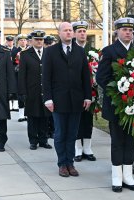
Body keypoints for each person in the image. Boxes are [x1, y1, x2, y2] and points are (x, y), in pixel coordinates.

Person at [96, 17, 134, 192]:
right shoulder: (109, 51)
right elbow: (101, 77)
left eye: (130, 30)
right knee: (117, 141)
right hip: (116, 104)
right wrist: (118, 91)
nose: (128, 32)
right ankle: (116, 177)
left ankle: (128, 176)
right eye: (124, 30)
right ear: (116, 31)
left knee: (131, 140)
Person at [42, 22, 92, 177]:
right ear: (59, 33)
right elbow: (46, 77)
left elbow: (85, 76)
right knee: (60, 133)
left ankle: (70, 163)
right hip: (58, 100)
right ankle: (62, 164)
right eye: (66, 30)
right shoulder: (50, 52)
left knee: (72, 134)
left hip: (76, 100)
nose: (69, 33)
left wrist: (87, 96)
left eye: (71, 30)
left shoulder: (79, 51)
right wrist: (48, 99)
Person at [18, 30, 53, 150]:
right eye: (37, 39)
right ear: (31, 40)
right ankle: (33, 141)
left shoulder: (49, 53)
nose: (39, 41)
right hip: (31, 91)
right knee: (32, 117)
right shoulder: (25, 54)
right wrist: (22, 92)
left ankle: (43, 140)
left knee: (45, 117)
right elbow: (22, 75)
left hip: (46, 91)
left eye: (41, 39)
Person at [72, 21, 96, 162]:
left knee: (88, 120)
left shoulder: (92, 51)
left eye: (84, 31)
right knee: (77, 120)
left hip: (90, 91)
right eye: (79, 31)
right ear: (74, 33)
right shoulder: (71, 49)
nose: (82, 34)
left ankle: (87, 148)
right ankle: (77, 149)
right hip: (75, 91)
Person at [11, 34, 28, 121]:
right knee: (20, 95)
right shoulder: (14, 51)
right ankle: (21, 115)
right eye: (21, 40)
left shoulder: (29, 50)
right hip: (18, 75)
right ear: (18, 42)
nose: (23, 42)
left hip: (28, 76)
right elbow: (11, 64)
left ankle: (27, 114)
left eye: (25, 40)